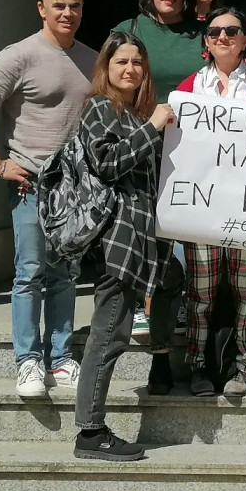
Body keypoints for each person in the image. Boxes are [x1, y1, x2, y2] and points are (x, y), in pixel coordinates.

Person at [0, 0, 97, 397]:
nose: (67, 13)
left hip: (74, 190)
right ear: (42, 9)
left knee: (65, 274)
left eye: (74, 5)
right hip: (30, 184)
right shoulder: (19, 55)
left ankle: (60, 358)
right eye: (59, 5)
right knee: (30, 273)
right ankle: (28, 361)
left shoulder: (92, 59)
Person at [72, 32, 177, 462]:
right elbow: (108, 163)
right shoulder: (99, 107)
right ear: (106, 67)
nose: (131, 69)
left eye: (137, 62)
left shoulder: (133, 113)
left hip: (140, 242)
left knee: (130, 319)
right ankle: (91, 432)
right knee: (107, 335)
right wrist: (153, 127)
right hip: (117, 245)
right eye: (122, 62)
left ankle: (162, 364)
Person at [176, 7, 246, 397]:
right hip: (201, 207)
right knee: (201, 293)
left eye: (231, 30)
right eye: (214, 31)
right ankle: (198, 366)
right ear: (206, 41)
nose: (222, 37)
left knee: (245, 291)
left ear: (244, 39)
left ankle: (243, 367)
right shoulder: (188, 89)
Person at [113, 0, 198, 389]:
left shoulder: (204, 34)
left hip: (196, 165)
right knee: (159, 265)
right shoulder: (130, 32)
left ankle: (202, 360)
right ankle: (159, 358)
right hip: (143, 163)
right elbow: (111, 89)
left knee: (193, 267)